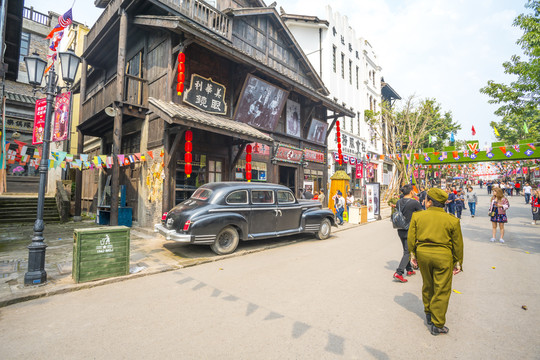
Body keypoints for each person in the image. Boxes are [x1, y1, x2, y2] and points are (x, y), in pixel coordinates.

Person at [408, 187, 463, 336]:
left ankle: (428, 313)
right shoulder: (452, 220)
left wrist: (413, 256)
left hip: (423, 255)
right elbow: (457, 244)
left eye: (425, 199)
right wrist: (458, 262)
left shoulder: (418, 217)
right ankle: (437, 323)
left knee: (428, 284)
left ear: (429, 202)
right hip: (443, 257)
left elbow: (411, 239)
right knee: (442, 289)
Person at [393, 184, 423, 283]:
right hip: (410, 230)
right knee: (407, 252)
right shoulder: (414, 203)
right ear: (411, 192)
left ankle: (409, 270)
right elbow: (421, 215)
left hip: (400, 229)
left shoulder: (398, 202)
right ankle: (399, 272)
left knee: (406, 250)